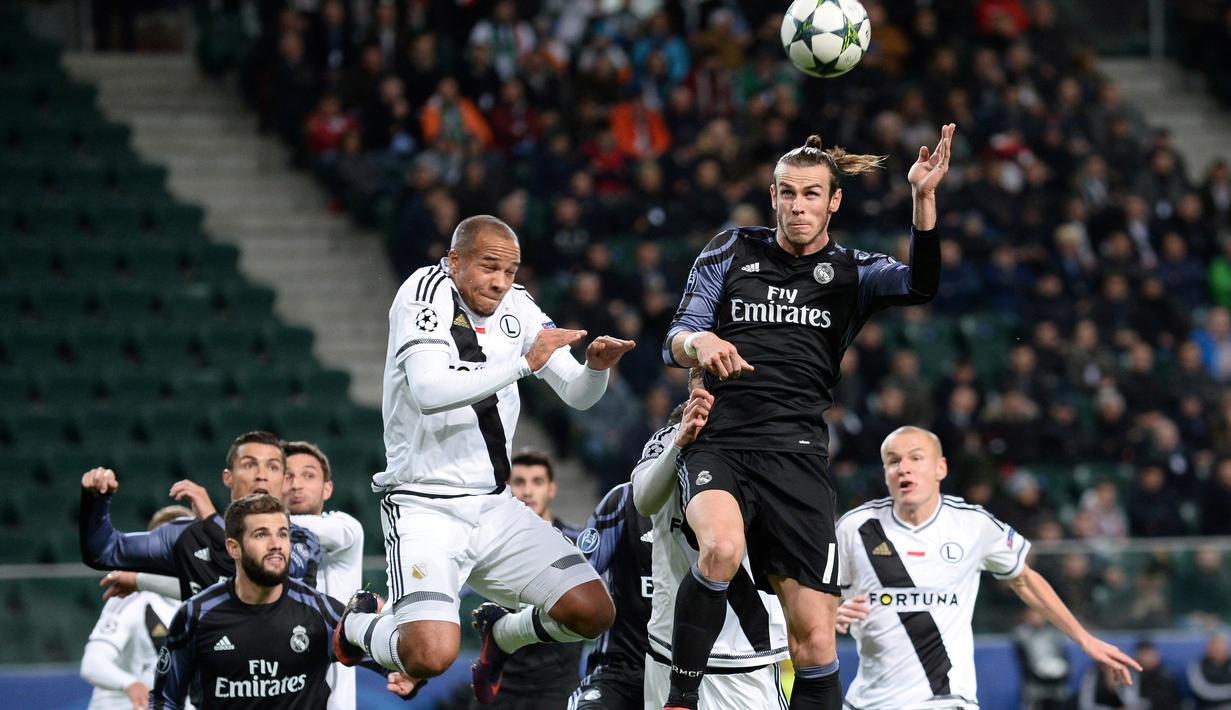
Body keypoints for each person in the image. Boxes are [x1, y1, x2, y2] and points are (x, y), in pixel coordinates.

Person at [659, 126, 956, 710]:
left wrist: (923, 199)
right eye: (788, 193)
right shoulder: (730, 248)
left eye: (812, 194)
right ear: (772, 196)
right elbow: (676, 333)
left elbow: (921, 286)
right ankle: (679, 700)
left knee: (817, 643)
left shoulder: (854, 271)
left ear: (834, 201)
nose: (799, 205)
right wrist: (701, 344)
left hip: (798, 454)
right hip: (720, 438)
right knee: (719, 548)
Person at [332, 214, 633, 705]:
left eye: (510, 271)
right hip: (423, 506)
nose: (500, 281)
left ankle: (504, 635)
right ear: (454, 261)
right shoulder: (422, 293)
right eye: (489, 266)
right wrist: (520, 364)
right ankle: (359, 628)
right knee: (430, 655)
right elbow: (430, 391)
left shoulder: (518, 308)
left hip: (494, 508)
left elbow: (576, 394)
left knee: (592, 612)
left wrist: (595, 371)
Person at [835, 426, 1140, 709]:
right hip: (868, 702)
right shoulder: (854, 528)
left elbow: (1025, 580)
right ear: (886, 472)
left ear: (941, 468)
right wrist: (831, 613)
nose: (904, 468)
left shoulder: (973, 525)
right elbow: (819, 598)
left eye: (916, 458)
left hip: (947, 701)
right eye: (893, 461)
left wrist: (1085, 639)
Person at [150, 494, 414, 708]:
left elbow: (361, 643)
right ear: (233, 548)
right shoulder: (196, 615)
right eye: (261, 534)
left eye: (283, 534)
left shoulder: (318, 609)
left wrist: (403, 671)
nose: (276, 544)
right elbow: (165, 699)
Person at [632, 377, 790, 710]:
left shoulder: (769, 446)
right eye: (700, 375)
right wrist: (679, 443)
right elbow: (643, 501)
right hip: (669, 652)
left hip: (747, 656)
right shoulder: (665, 439)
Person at [82, 431, 323, 600]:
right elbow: (104, 551)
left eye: (272, 467)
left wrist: (210, 519)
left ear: (284, 480)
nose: (261, 475)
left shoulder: (303, 540)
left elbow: (266, 573)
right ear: (228, 477)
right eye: (249, 465)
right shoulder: (185, 535)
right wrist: (97, 500)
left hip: (285, 672)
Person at [469, 450, 585, 710]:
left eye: (537, 481)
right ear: (508, 489)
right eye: (519, 482)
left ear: (551, 488)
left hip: (556, 687)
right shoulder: (486, 542)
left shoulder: (579, 543)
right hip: (499, 686)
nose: (528, 491)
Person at [80, 505, 194, 710]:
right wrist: (130, 684)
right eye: (165, 543)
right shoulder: (132, 599)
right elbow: (92, 663)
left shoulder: (208, 601)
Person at [284, 441, 366, 710]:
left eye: (308, 475)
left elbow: (319, 532)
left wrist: (253, 520)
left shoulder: (345, 527)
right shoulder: (257, 547)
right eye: (287, 476)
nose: (296, 484)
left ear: (327, 488)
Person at [1187, 632, 1231, 709]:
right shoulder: (1197, 665)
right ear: (1208, 647)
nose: (1219, 648)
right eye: (1215, 645)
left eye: (1221, 645)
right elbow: (1203, 691)